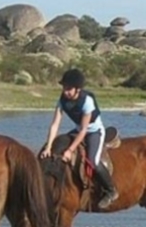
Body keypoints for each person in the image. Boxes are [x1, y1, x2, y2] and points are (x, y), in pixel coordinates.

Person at [40, 68, 118, 209]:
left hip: (93, 131)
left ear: (78, 89)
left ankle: (111, 190)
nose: (65, 91)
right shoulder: (62, 99)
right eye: (64, 88)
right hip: (78, 129)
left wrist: (70, 150)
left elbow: (84, 130)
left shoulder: (87, 101)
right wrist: (48, 146)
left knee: (93, 161)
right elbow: (55, 124)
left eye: (69, 89)